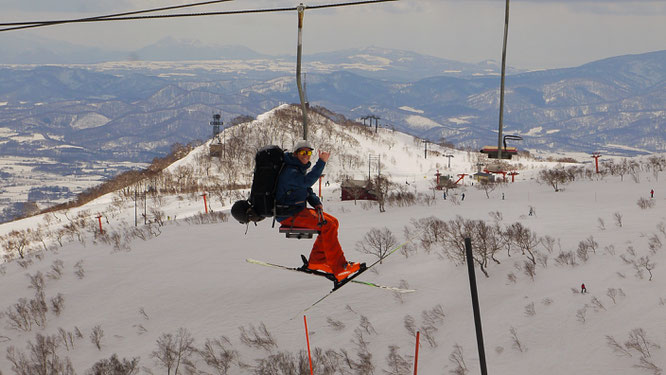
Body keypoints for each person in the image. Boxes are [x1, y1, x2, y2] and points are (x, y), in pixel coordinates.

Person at [275, 140, 361, 282]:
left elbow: (306, 190)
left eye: (308, 153)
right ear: (295, 154)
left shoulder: (296, 169)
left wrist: (316, 203)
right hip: (288, 214)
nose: (306, 155)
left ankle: (318, 261)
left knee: (333, 222)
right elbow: (307, 182)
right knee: (327, 225)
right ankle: (340, 268)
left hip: (296, 211)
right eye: (303, 152)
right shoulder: (290, 171)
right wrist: (321, 162)